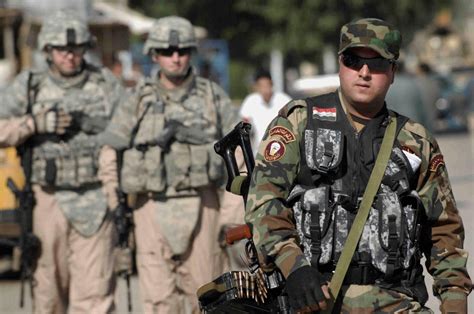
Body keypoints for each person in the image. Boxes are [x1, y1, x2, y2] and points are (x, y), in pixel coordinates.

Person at [245, 18, 472, 313]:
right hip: (312, 300)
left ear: (392, 71)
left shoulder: (416, 141)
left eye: (377, 64)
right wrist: (294, 266)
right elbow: (263, 203)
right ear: (340, 64)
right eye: (353, 61)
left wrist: (455, 304)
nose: (364, 73)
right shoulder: (299, 122)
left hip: (396, 302)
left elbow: (446, 233)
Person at [99, 16, 242, 313]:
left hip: (204, 209)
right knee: (158, 301)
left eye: (183, 50)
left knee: (207, 296)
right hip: (149, 210)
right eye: (167, 51)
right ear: (154, 55)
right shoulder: (136, 100)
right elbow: (110, 152)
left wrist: (229, 216)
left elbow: (237, 159)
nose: (175, 58)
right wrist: (116, 206)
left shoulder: (213, 97)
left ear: (192, 52)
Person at [0, 10, 124, 313]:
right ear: (47, 50)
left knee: (95, 295)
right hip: (46, 202)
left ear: (85, 47)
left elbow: (130, 129)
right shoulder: (29, 85)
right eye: (61, 49)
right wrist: (34, 124)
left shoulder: (105, 84)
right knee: (48, 294)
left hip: (95, 198)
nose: (69, 55)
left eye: (76, 48)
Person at [239, 70, 291, 152]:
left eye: (268, 85)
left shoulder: (284, 100)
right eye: (262, 86)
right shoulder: (250, 101)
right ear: (256, 87)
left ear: (272, 84)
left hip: (282, 150)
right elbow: (243, 126)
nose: (266, 90)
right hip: (259, 152)